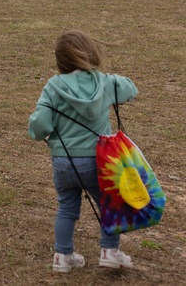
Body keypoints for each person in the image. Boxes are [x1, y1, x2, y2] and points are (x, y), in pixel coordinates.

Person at [28, 30, 138, 273]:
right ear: (91, 55)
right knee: (110, 205)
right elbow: (131, 88)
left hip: (63, 161)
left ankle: (62, 257)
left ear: (60, 60)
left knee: (66, 208)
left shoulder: (53, 87)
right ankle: (110, 251)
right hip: (99, 161)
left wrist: (39, 133)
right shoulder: (105, 83)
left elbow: (40, 125)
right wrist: (112, 86)